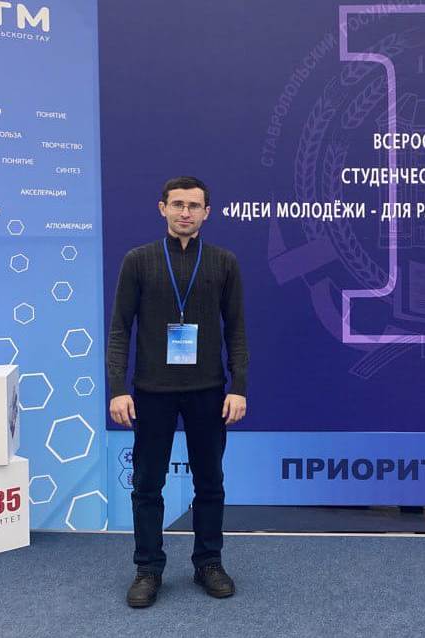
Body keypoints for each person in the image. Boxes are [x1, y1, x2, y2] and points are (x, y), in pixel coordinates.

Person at [106, 176, 248, 608]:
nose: (185, 212)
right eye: (178, 204)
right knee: (147, 485)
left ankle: (209, 562)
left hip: (209, 391)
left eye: (194, 206)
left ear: (207, 213)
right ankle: (148, 568)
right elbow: (120, 329)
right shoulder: (138, 261)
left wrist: (239, 386)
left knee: (210, 482)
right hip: (152, 392)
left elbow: (236, 330)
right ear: (162, 208)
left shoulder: (224, 262)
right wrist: (117, 388)